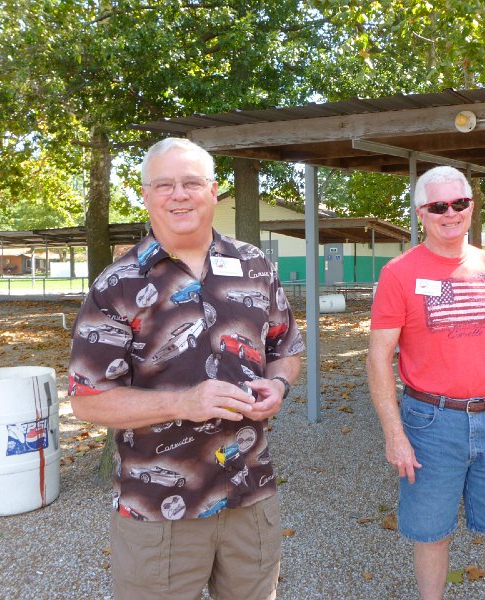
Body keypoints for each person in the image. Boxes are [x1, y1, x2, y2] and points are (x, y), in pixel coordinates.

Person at [68, 137, 304, 600]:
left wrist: (278, 384)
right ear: (146, 196)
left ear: (213, 191)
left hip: (250, 493)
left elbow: (287, 350)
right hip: (159, 510)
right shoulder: (117, 285)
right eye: (165, 184)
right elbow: (85, 400)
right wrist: (184, 403)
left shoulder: (254, 265)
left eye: (191, 182)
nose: (179, 194)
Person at [367, 165, 485, 600]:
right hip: (429, 422)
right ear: (420, 214)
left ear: (471, 206)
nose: (451, 213)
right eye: (438, 206)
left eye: (459, 203)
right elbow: (378, 357)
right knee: (431, 535)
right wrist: (394, 433)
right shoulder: (399, 273)